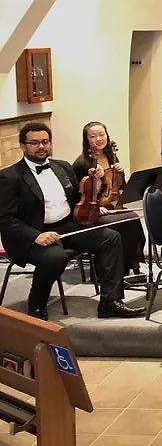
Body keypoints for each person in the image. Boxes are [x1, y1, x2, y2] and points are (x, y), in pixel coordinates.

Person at [0, 122, 144, 320]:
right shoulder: (9, 177)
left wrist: (96, 184)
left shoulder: (62, 167)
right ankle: (36, 303)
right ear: (23, 146)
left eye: (45, 142)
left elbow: (79, 198)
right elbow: (5, 219)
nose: (41, 147)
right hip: (34, 234)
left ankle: (111, 302)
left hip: (68, 226)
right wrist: (36, 236)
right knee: (56, 257)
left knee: (111, 238)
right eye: (34, 143)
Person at [71, 121, 146, 275]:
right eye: (93, 136)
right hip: (92, 209)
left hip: (111, 204)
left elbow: (119, 186)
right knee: (117, 224)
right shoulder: (82, 162)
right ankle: (112, 270)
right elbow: (76, 193)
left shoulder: (111, 155)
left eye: (102, 134)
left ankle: (132, 265)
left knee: (132, 219)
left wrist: (120, 171)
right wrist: (96, 201)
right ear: (87, 140)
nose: (99, 139)